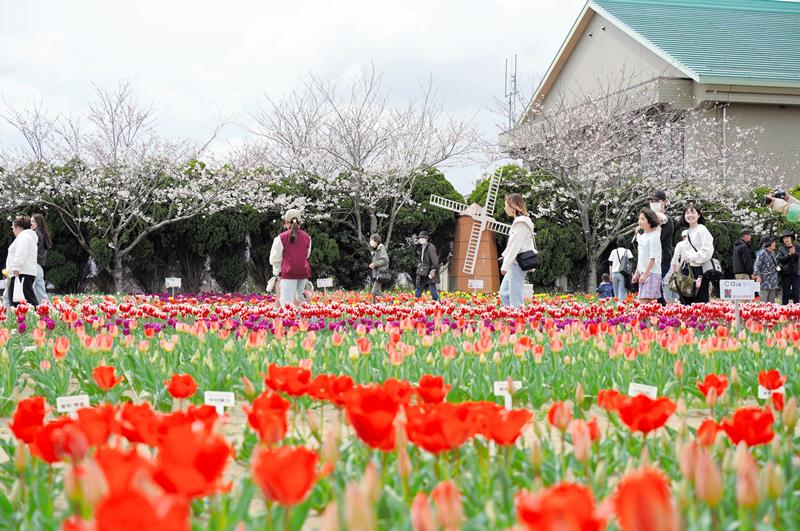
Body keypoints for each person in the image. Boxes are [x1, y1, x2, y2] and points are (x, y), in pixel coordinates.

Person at [269, 209, 312, 308]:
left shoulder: (281, 238)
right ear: (300, 222)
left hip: (288, 273)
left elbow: (274, 259)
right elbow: (307, 255)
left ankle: (290, 322)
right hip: (303, 272)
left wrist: (277, 272)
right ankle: (305, 322)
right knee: (303, 301)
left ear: (285, 222)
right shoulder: (307, 237)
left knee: (287, 303)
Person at [499, 194, 535, 308]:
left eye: (506, 205)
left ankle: (519, 322)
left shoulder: (521, 223)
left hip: (517, 263)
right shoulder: (519, 222)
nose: (505, 208)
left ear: (513, 207)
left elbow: (515, 246)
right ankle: (512, 319)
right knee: (504, 294)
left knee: (515, 297)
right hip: (513, 263)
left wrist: (505, 265)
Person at [674, 204, 715, 305]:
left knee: (700, 300)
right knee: (686, 299)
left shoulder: (701, 229)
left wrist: (692, 257)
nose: (689, 215)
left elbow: (707, 249)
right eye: (687, 213)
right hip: (688, 269)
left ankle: (700, 320)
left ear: (699, 215)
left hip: (699, 269)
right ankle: (689, 320)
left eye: (693, 212)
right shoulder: (688, 232)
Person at [6, 216, 39, 307]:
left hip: (21, 272)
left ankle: (41, 318)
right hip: (23, 272)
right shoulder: (27, 237)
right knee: (23, 299)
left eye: (13, 227)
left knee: (25, 300)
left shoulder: (23, 237)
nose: (13, 230)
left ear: (18, 227)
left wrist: (16, 267)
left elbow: (21, 252)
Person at [632, 208, 662, 303]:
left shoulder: (654, 236)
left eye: (642, 219)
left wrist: (645, 274)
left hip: (652, 273)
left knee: (646, 303)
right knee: (645, 304)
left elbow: (653, 258)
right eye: (639, 219)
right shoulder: (643, 237)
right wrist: (637, 273)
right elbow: (641, 257)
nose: (639, 221)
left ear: (650, 221)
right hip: (643, 272)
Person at [649, 190, 674, 305]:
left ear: (664, 202)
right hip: (651, 258)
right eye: (651, 200)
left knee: (656, 286)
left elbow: (659, 239)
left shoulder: (667, 220)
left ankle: (663, 309)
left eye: (656, 200)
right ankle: (660, 309)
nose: (653, 203)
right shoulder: (650, 219)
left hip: (663, 258)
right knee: (654, 287)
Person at [30, 213, 51, 303]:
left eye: (33, 221)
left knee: (39, 291)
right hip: (38, 266)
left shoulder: (37, 235)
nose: (31, 223)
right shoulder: (41, 233)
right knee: (38, 289)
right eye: (30, 221)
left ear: (38, 223)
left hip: (35, 265)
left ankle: (48, 309)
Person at [753, 235, 780, 303]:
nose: (775, 244)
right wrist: (758, 276)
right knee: (763, 302)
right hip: (764, 282)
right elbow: (756, 266)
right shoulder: (762, 253)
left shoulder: (773, 253)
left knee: (771, 302)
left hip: (773, 281)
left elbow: (775, 265)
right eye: (773, 242)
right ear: (768, 243)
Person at [414, 231, 440, 301]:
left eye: (422, 238)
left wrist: (433, 269)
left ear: (427, 239)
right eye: (420, 238)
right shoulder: (422, 247)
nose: (420, 239)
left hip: (430, 270)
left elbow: (435, 260)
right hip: (423, 270)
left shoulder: (430, 247)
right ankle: (416, 300)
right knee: (419, 286)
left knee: (432, 287)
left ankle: (436, 301)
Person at [776, 230, 800, 305]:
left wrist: (795, 253)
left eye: (788, 237)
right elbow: (780, 260)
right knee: (785, 294)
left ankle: (797, 312)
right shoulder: (781, 249)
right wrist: (789, 254)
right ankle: (784, 312)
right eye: (784, 238)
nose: (786, 239)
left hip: (796, 274)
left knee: (796, 293)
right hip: (785, 274)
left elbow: (798, 257)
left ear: (791, 238)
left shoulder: (798, 247)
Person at [608, 237, 633, 302]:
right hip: (623, 273)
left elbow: (610, 264)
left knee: (615, 292)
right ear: (624, 242)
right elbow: (630, 263)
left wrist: (610, 274)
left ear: (617, 243)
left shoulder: (613, 251)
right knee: (622, 292)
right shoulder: (627, 251)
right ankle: (621, 307)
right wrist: (631, 273)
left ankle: (616, 308)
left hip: (614, 273)